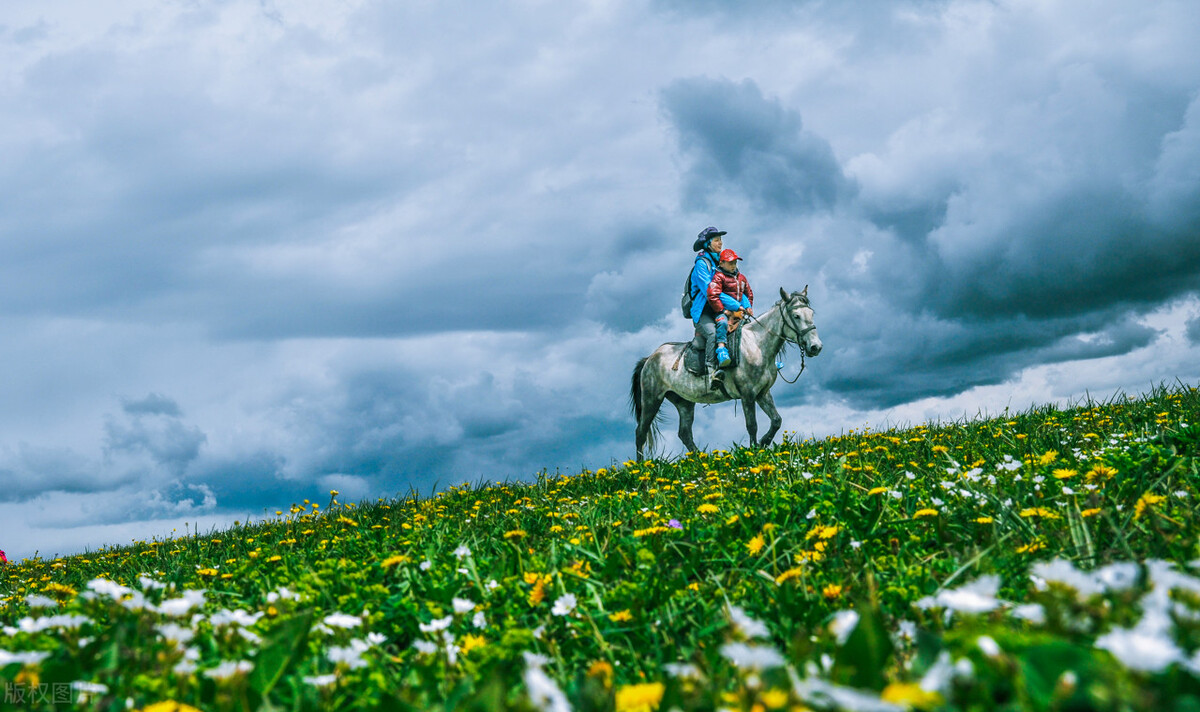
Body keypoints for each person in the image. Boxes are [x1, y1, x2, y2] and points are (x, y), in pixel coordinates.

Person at [706, 248, 753, 382]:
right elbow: (713, 295)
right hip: (723, 312)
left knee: (750, 330)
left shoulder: (741, 278)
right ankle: (721, 349)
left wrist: (748, 306)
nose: (733, 265)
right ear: (721, 263)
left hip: (739, 313)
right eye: (730, 263)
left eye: (735, 262)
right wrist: (721, 310)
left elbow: (747, 293)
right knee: (722, 323)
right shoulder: (718, 277)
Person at [688, 226, 726, 376]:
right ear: (707, 244)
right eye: (717, 240)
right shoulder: (701, 265)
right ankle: (711, 370)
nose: (720, 243)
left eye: (721, 240)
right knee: (713, 334)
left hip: (719, 309)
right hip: (703, 311)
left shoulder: (722, 263)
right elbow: (711, 292)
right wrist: (733, 304)